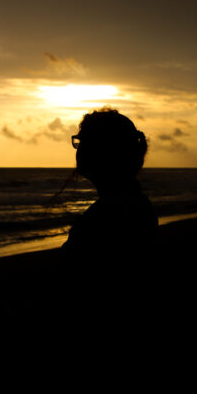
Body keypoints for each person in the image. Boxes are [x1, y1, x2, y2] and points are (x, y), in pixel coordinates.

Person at [54, 107, 158, 319]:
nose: (79, 149)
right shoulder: (132, 204)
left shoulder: (110, 215)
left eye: (83, 142)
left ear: (103, 149)